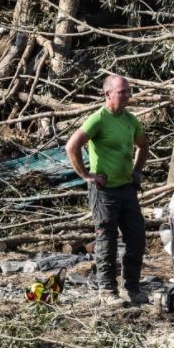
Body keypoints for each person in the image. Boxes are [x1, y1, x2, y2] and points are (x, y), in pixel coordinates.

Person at [66, 74, 149, 306]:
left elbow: (143, 145)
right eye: (122, 92)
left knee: (137, 237)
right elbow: (72, 146)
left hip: (127, 189)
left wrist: (137, 172)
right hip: (104, 192)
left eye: (128, 91)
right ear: (107, 94)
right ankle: (107, 290)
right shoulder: (98, 119)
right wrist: (86, 175)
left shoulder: (131, 120)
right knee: (107, 240)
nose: (127, 96)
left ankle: (132, 288)